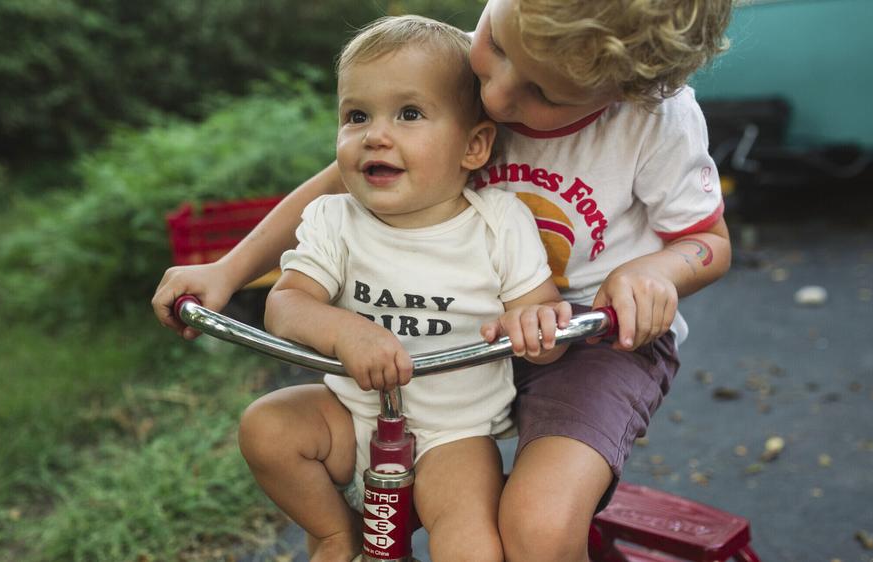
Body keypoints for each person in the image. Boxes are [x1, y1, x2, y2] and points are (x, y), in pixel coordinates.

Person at [152, 1, 734, 561]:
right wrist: (228, 270)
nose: (498, 94)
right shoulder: (451, 77)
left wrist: (654, 271)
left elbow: (710, 243)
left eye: (543, 93)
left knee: (536, 528)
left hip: (588, 341)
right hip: (459, 337)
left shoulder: (654, 119)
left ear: (623, 90)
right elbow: (333, 187)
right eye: (496, 45)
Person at [234, 16, 568, 562]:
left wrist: (535, 327)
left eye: (409, 114)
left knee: (472, 546)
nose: (375, 134)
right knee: (266, 428)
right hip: (350, 413)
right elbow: (285, 303)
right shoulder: (334, 218)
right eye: (356, 115)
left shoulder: (498, 222)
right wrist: (347, 332)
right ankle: (334, 531)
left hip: (453, 433)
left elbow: (543, 319)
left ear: (474, 145)